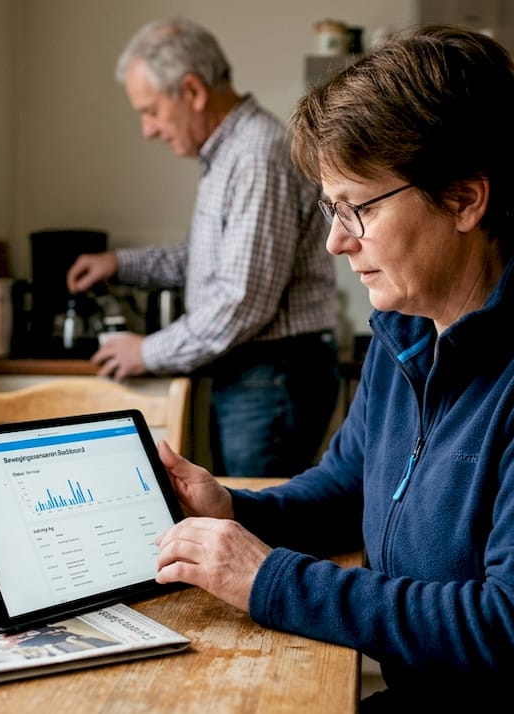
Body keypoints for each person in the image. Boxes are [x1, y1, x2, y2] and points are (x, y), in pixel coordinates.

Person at [151, 25, 514, 712]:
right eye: (330, 208)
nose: (338, 240)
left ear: (464, 197)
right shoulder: (409, 328)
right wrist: (236, 510)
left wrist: (269, 579)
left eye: (357, 208)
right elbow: (348, 489)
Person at [66, 17, 338, 478]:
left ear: (192, 91)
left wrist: (147, 351)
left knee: (258, 527)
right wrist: (118, 264)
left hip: (272, 376)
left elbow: (243, 298)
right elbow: (206, 259)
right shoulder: (229, 152)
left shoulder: (255, 154)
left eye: (151, 111)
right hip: (258, 375)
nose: (147, 130)